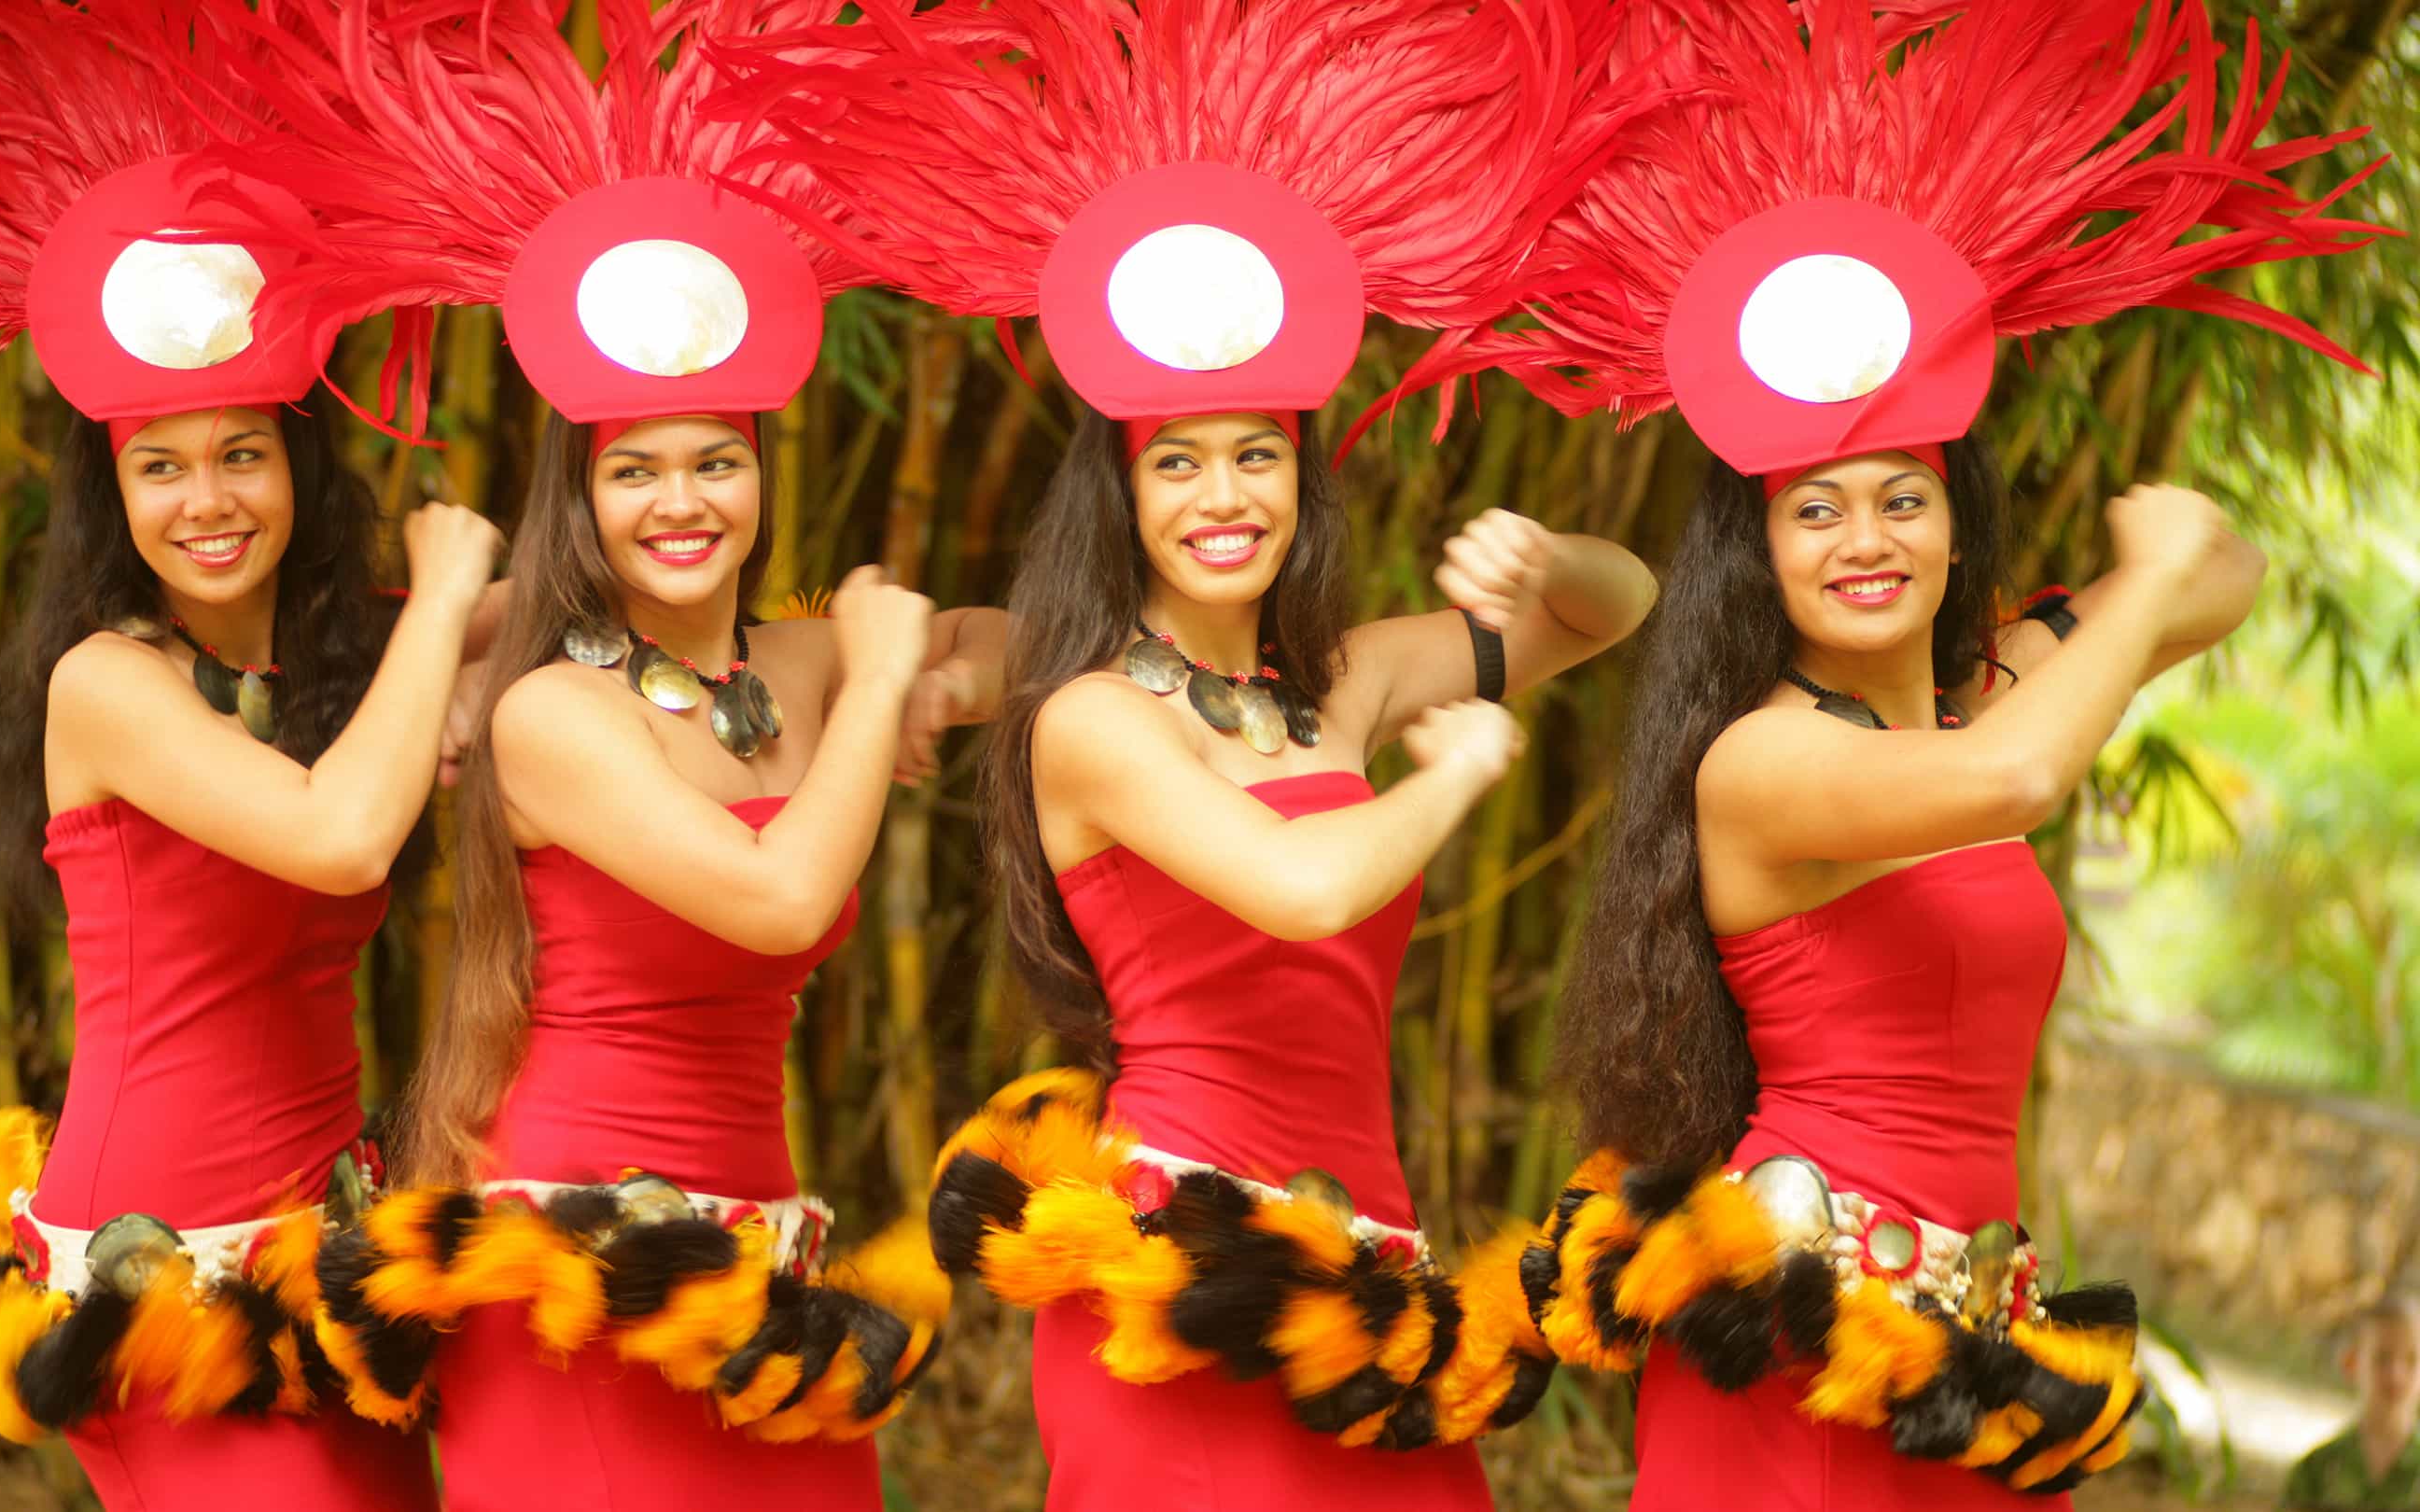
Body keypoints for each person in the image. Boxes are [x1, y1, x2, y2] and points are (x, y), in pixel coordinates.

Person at [1422, 1, 2385, 1506]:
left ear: (1955, 521)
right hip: (1791, 1340)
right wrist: (2138, 578)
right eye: (1817, 508)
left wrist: (2148, 573)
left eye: (1903, 498)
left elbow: (2226, 581)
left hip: (1960, 1351)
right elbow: (2016, 782)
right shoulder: (1765, 760)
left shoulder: (1978, 689)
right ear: (1763, 555)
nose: (1865, 538)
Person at [730, 2, 1660, 1505]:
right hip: (1173, 1280)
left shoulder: (1340, 683)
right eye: (1177, 462)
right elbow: (1299, 888)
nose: (1222, 494)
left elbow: (1617, 612)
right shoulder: (1094, 718)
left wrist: (1551, 553)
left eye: (1257, 454)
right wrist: (1459, 773)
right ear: (1124, 491)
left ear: (1303, 475)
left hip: (1375, 1278)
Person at [206, 4, 986, 1506]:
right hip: (569, 1266)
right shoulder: (552, 715)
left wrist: (924, 643)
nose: (678, 501)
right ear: (583, 493)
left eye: (716, 461)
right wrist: (888, 676)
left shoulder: (800, 658)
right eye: (634, 470)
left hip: (754, 1262)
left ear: (762, 474)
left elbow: (1038, 649)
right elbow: (780, 905)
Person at [0, 2, 505, 1506]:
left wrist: (828, 637)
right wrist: (454, 592)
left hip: (326, 1239)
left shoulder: (338, 661)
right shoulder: (109, 684)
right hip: (167, 1265)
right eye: (159, 467)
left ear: (297, 463)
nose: (205, 500)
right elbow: (344, 835)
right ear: (112, 494)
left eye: (240, 452)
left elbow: (588, 602)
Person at [2286, 1298, 2420, 1512]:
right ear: (2351, 1363)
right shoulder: (2316, 1470)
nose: (2396, 1375)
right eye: (2382, 1358)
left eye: (2412, 1360)